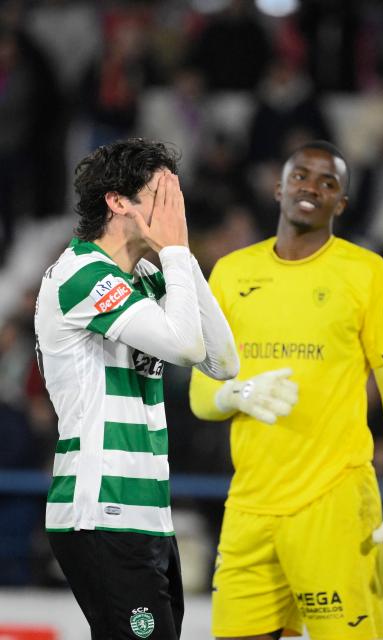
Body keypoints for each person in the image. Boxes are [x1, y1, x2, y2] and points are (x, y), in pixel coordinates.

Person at [189, 140, 383, 640]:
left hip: (333, 502)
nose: (311, 188)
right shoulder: (231, 274)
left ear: (341, 203)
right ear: (278, 188)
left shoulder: (366, 273)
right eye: (301, 176)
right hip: (249, 506)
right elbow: (200, 394)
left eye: (328, 182)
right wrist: (235, 395)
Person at [34, 138, 239, 640]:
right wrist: (175, 252)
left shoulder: (148, 275)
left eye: (177, 197)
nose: (175, 211)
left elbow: (223, 361)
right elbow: (187, 348)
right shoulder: (82, 275)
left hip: (148, 514)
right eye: (160, 196)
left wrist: (181, 259)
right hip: (102, 509)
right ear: (117, 201)